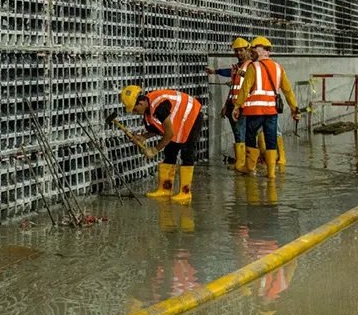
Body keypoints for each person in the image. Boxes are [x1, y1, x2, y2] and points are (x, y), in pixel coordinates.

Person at [117, 85, 204, 204]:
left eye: (134, 109)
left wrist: (154, 150)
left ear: (141, 102)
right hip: (180, 119)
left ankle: (185, 192)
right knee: (170, 151)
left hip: (193, 115)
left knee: (187, 153)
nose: (134, 112)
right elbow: (158, 127)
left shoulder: (159, 107)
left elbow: (169, 134)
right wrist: (143, 137)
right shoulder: (149, 108)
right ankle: (165, 189)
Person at [231, 37, 301, 179]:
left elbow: (245, 89)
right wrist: (295, 109)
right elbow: (287, 91)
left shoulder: (253, 67)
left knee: (250, 137)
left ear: (264, 50)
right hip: (271, 112)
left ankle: (250, 167)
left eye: (254, 50)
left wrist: (237, 106)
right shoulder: (278, 68)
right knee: (270, 139)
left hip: (255, 111)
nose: (252, 53)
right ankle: (271, 173)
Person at [205, 37, 252, 168]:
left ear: (247, 50)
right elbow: (233, 86)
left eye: (241, 50)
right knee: (240, 133)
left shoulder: (250, 66)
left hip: (243, 106)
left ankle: (242, 163)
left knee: (240, 133)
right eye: (236, 51)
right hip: (234, 104)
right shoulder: (236, 67)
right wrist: (226, 105)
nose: (238, 53)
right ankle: (245, 162)